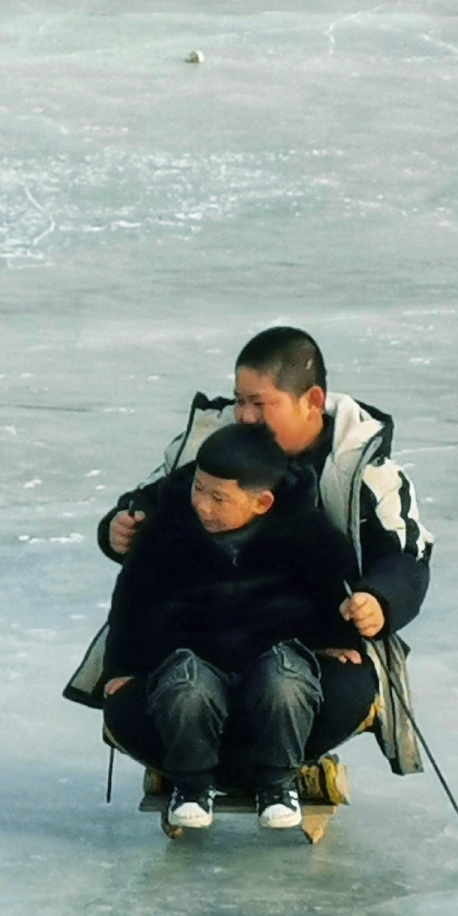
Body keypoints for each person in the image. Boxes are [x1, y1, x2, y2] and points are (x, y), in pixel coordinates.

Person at [97, 423, 371, 832]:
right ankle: (190, 785)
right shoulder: (166, 532)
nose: (203, 506)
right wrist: (122, 667)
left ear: (261, 503)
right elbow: (132, 602)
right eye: (198, 490)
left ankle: (277, 782)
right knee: (186, 686)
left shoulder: (309, 534)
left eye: (218, 498)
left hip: (276, 661)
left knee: (285, 681)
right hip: (192, 661)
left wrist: (338, 642)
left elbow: (333, 592)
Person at [97, 324, 431, 643]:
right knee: (136, 694)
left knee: (343, 695)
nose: (244, 415)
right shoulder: (207, 443)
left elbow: (405, 556)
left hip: (323, 632)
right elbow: (151, 496)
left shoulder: (365, 471)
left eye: (259, 403)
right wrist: (122, 526)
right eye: (239, 400)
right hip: (201, 625)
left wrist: (379, 599)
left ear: (313, 401)